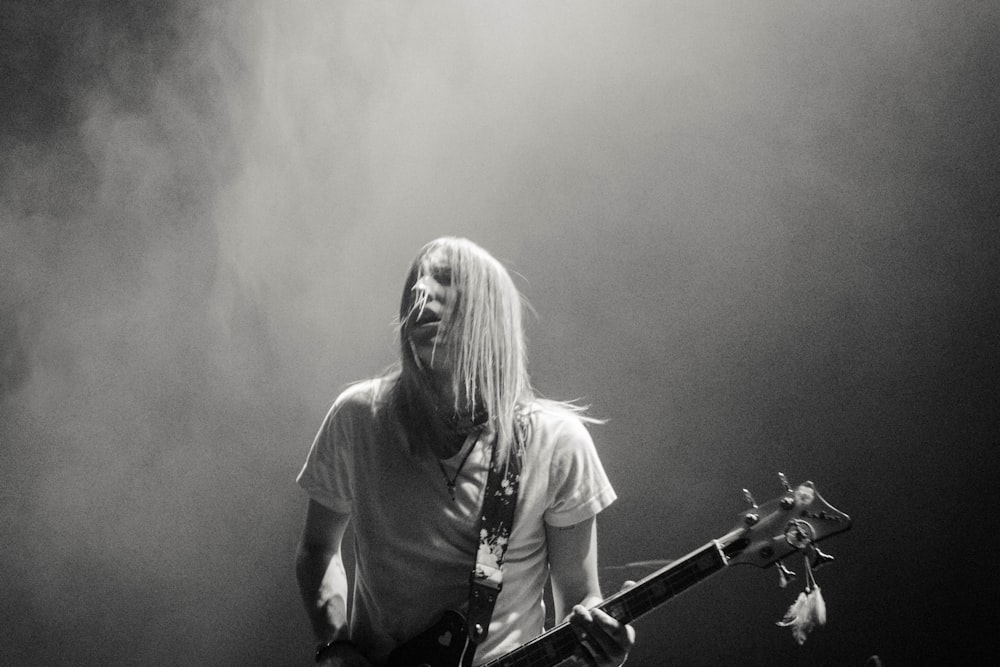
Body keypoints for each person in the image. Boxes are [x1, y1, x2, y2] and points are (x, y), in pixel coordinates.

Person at [295, 237, 635, 666]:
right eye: (415, 283)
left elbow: (579, 599)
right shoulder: (359, 418)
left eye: (444, 279)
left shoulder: (556, 442)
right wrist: (335, 646)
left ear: (488, 309)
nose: (420, 290)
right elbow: (317, 550)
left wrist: (601, 650)